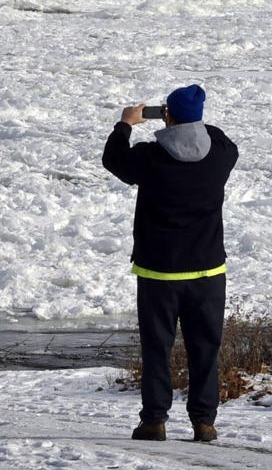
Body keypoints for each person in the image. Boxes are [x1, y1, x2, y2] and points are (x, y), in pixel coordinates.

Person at [102, 84, 238, 442]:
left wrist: (125, 124)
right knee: (205, 349)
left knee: (157, 348)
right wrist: (188, 121)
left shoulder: (150, 157)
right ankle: (204, 422)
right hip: (208, 272)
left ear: (168, 117)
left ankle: (154, 420)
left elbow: (113, 159)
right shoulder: (220, 155)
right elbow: (219, 137)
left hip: (159, 271)